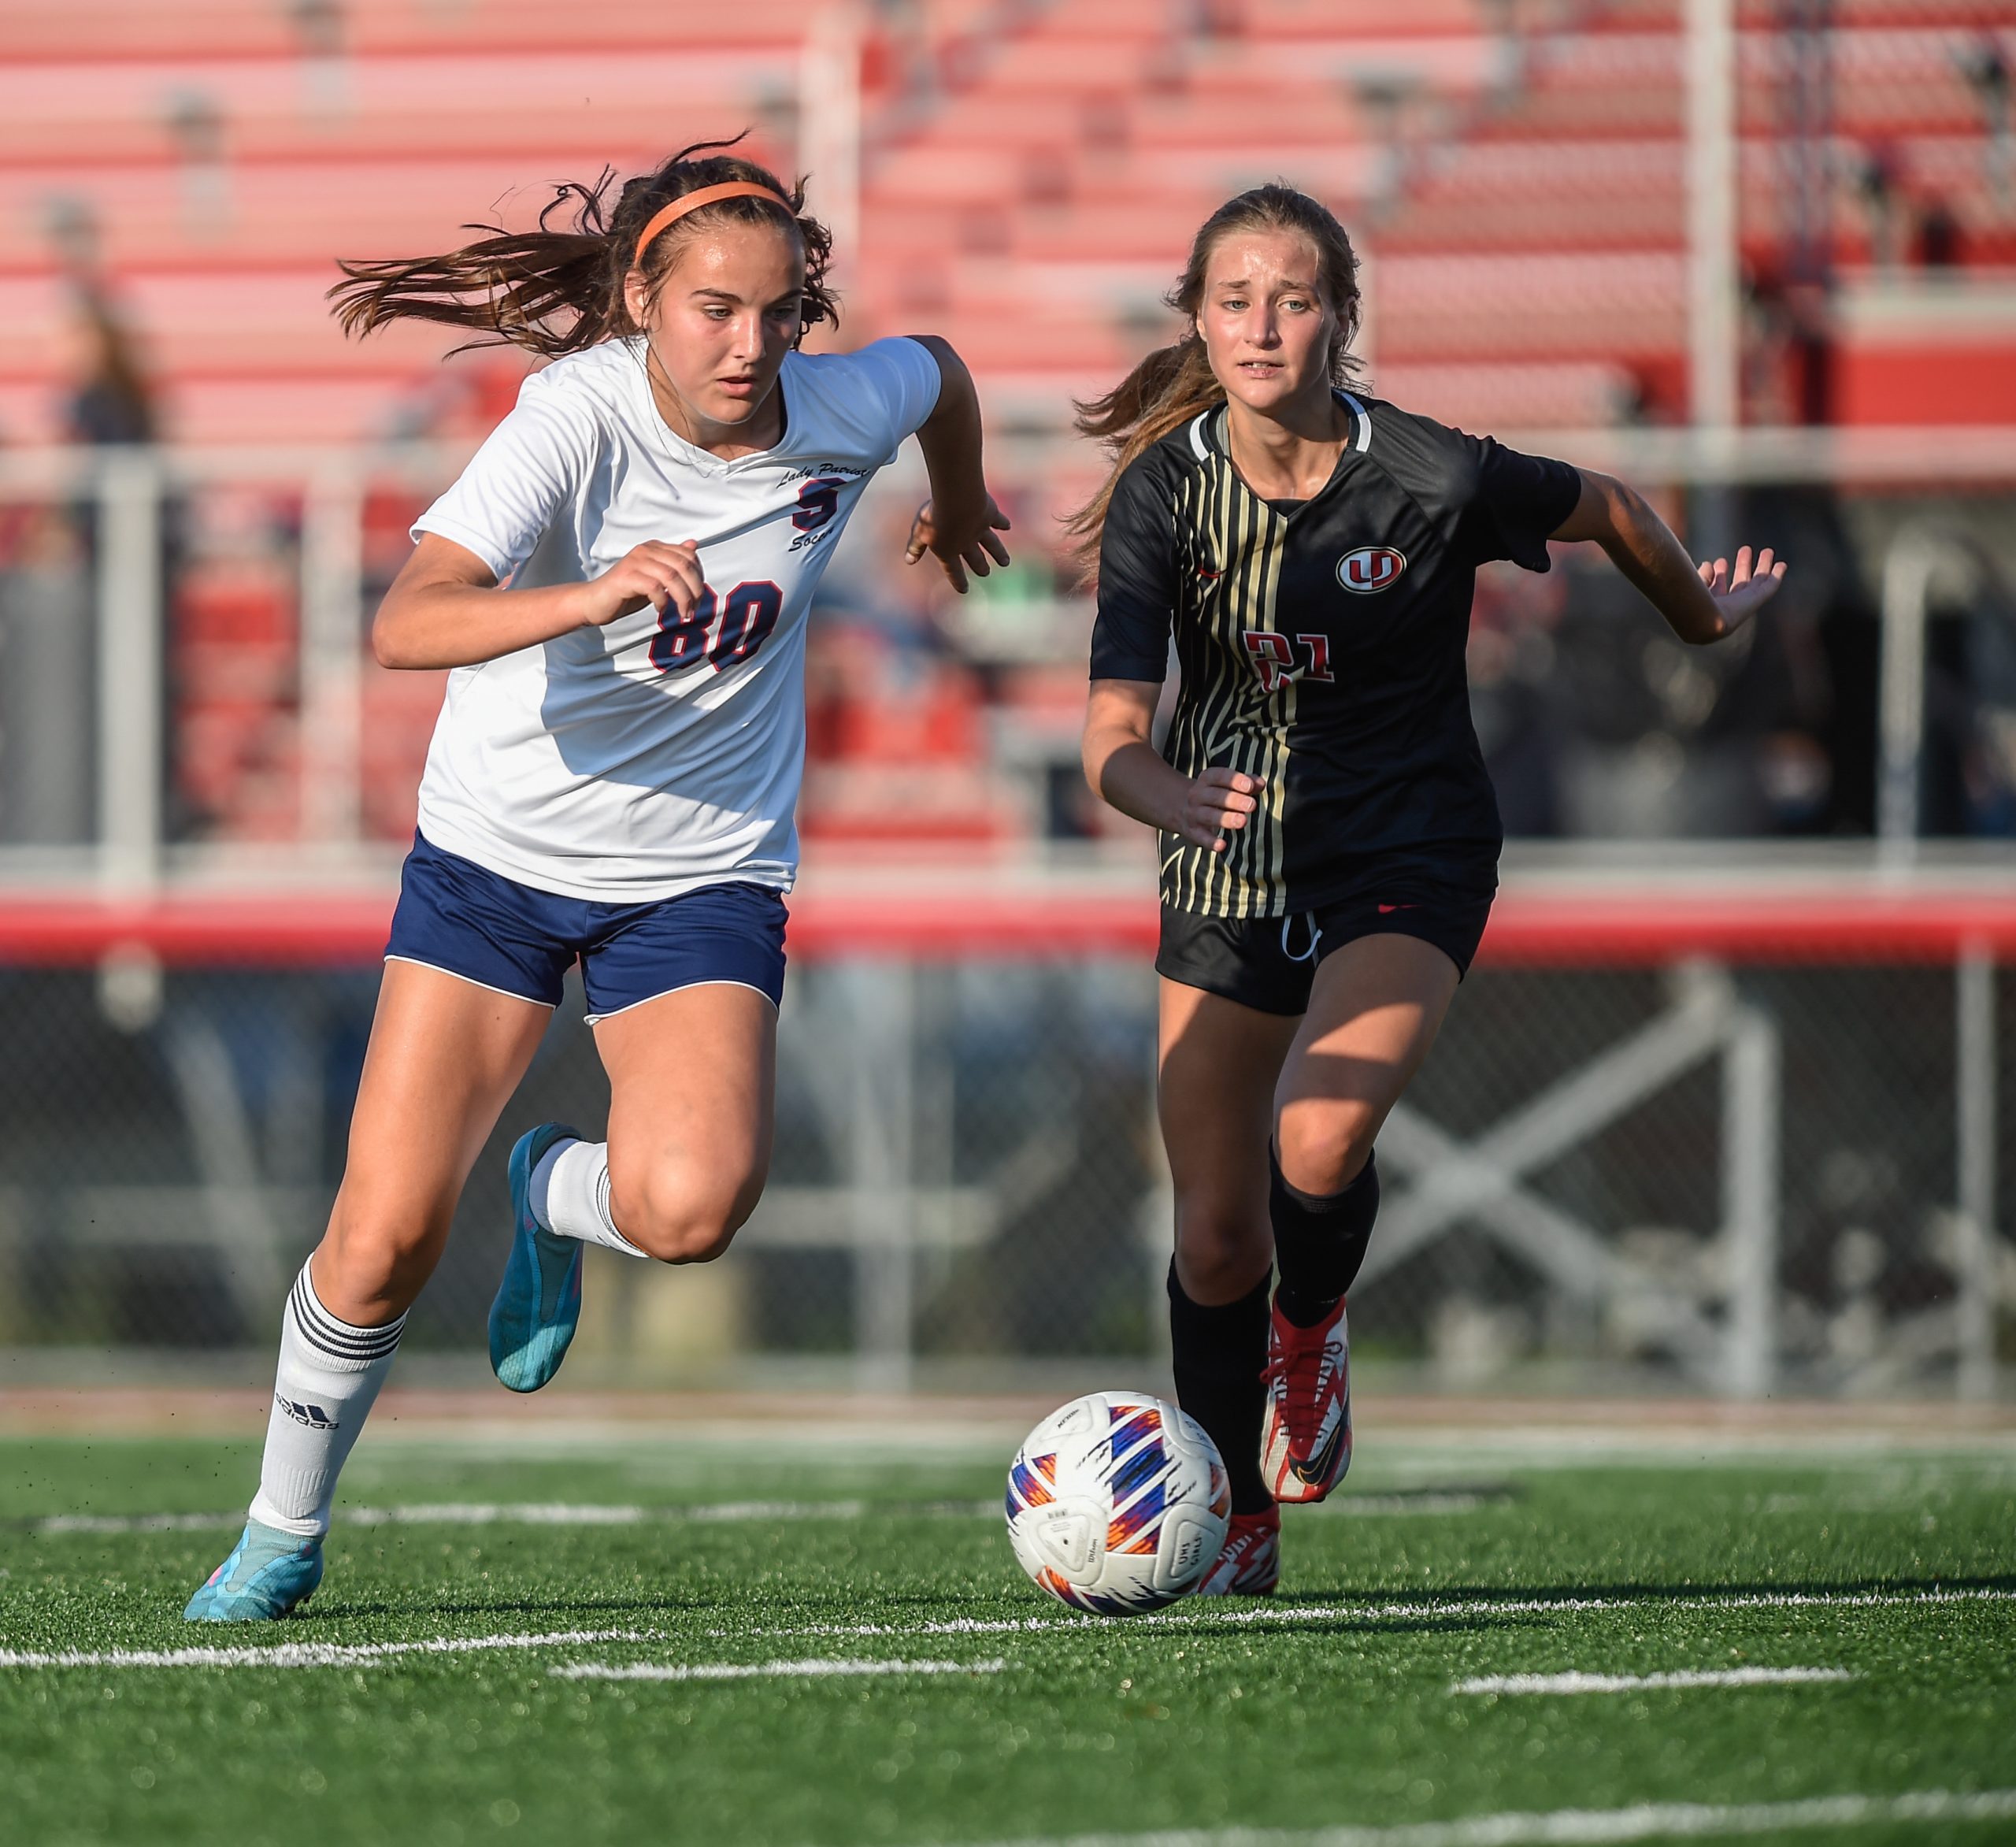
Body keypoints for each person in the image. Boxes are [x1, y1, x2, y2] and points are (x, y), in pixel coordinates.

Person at [185, 139, 1009, 1622]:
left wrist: (956, 498)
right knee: (380, 1239)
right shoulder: (571, 418)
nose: (751, 344)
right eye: (713, 309)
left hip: (701, 874)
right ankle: (281, 1529)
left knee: (692, 1208)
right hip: (499, 857)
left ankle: (553, 1196)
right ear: (643, 298)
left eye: (778, 310)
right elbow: (407, 622)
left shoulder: (836, 404)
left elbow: (939, 370)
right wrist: (592, 590)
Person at [1073, 185, 1784, 1595]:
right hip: (1222, 860)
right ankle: (1237, 1518)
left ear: (1341, 314)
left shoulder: (1433, 474)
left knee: (1320, 1144)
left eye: (1292, 297)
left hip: (1410, 846)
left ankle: (1312, 1329)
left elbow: (1608, 506)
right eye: (1233, 300)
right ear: (1197, 321)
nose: (1262, 325)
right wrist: (1166, 793)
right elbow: (1109, 737)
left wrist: (1702, 615)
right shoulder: (1167, 493)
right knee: (1214, 1231)